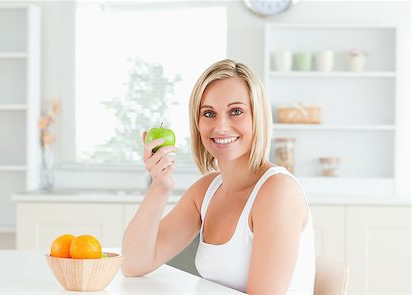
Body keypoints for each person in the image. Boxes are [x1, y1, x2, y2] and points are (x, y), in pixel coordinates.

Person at [121, 59, 315, 294]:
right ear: (198, 123)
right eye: (209, 113)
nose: (221, 126)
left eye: (236, 111)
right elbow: (133, 263)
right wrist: (160, 186)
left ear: (257, 117)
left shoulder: (278, 192)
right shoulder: (206, 191)